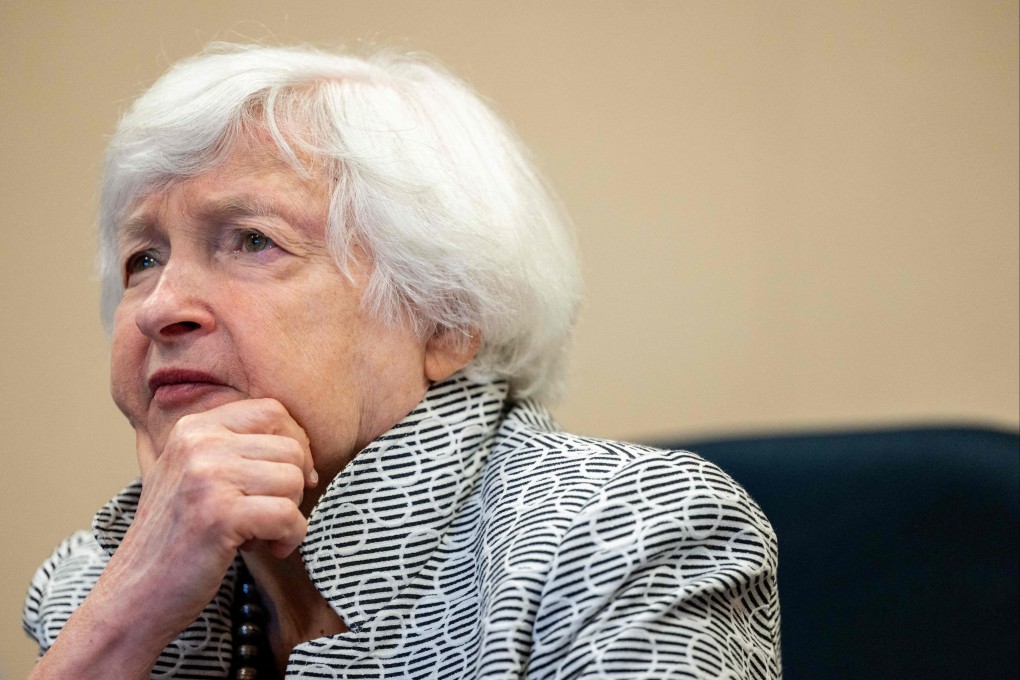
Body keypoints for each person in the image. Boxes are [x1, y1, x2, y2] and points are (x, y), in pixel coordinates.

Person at [23, 43, 781, 679]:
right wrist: (121, 622)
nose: (160, 306)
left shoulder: (624, 534)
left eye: (252, 240)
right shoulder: (98, 581)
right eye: (142, 257)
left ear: (446, 320)